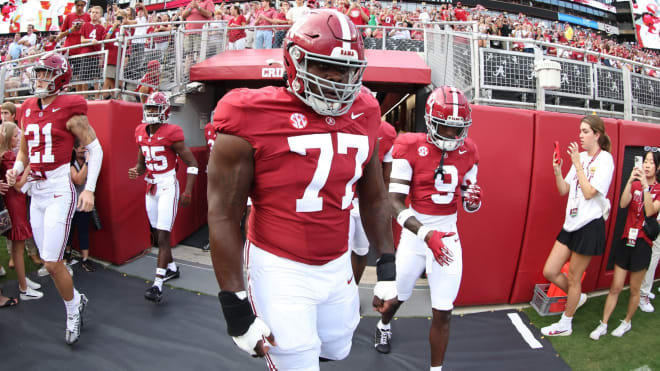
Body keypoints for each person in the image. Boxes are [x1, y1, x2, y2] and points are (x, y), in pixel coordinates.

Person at [208, 10, 396, 371]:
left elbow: (373, 195)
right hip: (279, 264)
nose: (337, 80)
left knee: (337, 348)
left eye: (346, 70)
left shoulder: (366, 110)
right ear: (295, 61)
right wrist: (234, 304)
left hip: (337, 261)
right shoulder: (249, 112)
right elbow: (222, 214)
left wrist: (386, 263)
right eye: (325, 67)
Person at [373, 86, 481, 371]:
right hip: (415, 236)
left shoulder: (469, 150)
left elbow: (469, 200)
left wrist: (473, 202)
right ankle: (383, 324)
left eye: (457, 130)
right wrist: (425, 234)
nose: (451, 136)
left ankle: (436, 369)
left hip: (447, 237)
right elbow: (394, 202)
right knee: (400, 296)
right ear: (431, 121)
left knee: (444, 311)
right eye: (445, 127)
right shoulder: (409, 145)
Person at [5, 52, 103, 345]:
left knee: (51, 262)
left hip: (60, 189)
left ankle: (73, 308)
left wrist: (90, 188)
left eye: (46, 74)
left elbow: (95, 149)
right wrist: (16, 170)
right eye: (38, 73)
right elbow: (25, 150)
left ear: (60, 77)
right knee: (48, 259)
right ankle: (76, 301)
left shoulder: (70, 108)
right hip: (36, 192)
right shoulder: (27, 107)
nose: (40, 79)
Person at [541, 115, 614, 337]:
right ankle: (578, 297)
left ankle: (566, 323)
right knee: (550, 270)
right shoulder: (579, 157)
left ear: (597, 135)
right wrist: (557, 170)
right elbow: (564, 189)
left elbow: (590, 192)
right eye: (580, 131)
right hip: (570, 223)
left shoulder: (605, 160)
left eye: (585, 131)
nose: (580, 136)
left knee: (574, 278)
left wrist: (577, 165)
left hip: (589, 225)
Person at [128, 91, 198, 303]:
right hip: (151, 187)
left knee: (164, 236)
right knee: (158, 234)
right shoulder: (140, 131)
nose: (150, 112)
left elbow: (193, 164)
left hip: (168, 186)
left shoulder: (172, 133)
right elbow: (141, 165)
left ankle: (158, 285)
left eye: (154, 109)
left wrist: (187, 191)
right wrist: (136, 170)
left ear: (165, 112)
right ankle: (172, 268)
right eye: (148, 108)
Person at [590, 150, 660, 339]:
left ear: (658, 167)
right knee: (616, 286)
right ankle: (603, 324)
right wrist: (630, 181)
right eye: (645, 161)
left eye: (651, 163)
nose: (646, 165)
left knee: (635, 289)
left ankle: (626, 322)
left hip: (643, 243)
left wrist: (646, 188)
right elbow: (622, 204)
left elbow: (651, 209)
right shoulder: (635, 183)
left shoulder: (659, 190)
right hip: (625, 239)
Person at [349, 120, 396, 285]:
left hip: (366, 201)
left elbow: (387, 176)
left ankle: (352, 290)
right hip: (343, 199)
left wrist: (384, 203)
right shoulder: (339, 122)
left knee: (361, 251)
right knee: (338, 254)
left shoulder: (387, 132)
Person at [0, 122, 43, 301]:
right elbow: (18, 186)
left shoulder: (6, 155)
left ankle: (22, 280)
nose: (19, 139)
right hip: (14, 204)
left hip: (14, 203)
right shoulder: (8, 156)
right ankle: (24, 288)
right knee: (18, 249)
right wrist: (29, 167)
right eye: (17, 136)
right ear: (9, 137)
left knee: (18, 248)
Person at [63, 139, 95, 272]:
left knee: (83, 231)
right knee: (68, 232)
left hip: (84, 204)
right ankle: (67, 255)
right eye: (81, 148)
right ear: (74, 149)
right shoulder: (71, 165)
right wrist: (87, 162)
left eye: (85, 148)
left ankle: (85, 259)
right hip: (70, 204)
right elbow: (78, 179)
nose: (83, 150)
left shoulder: (92, 163)